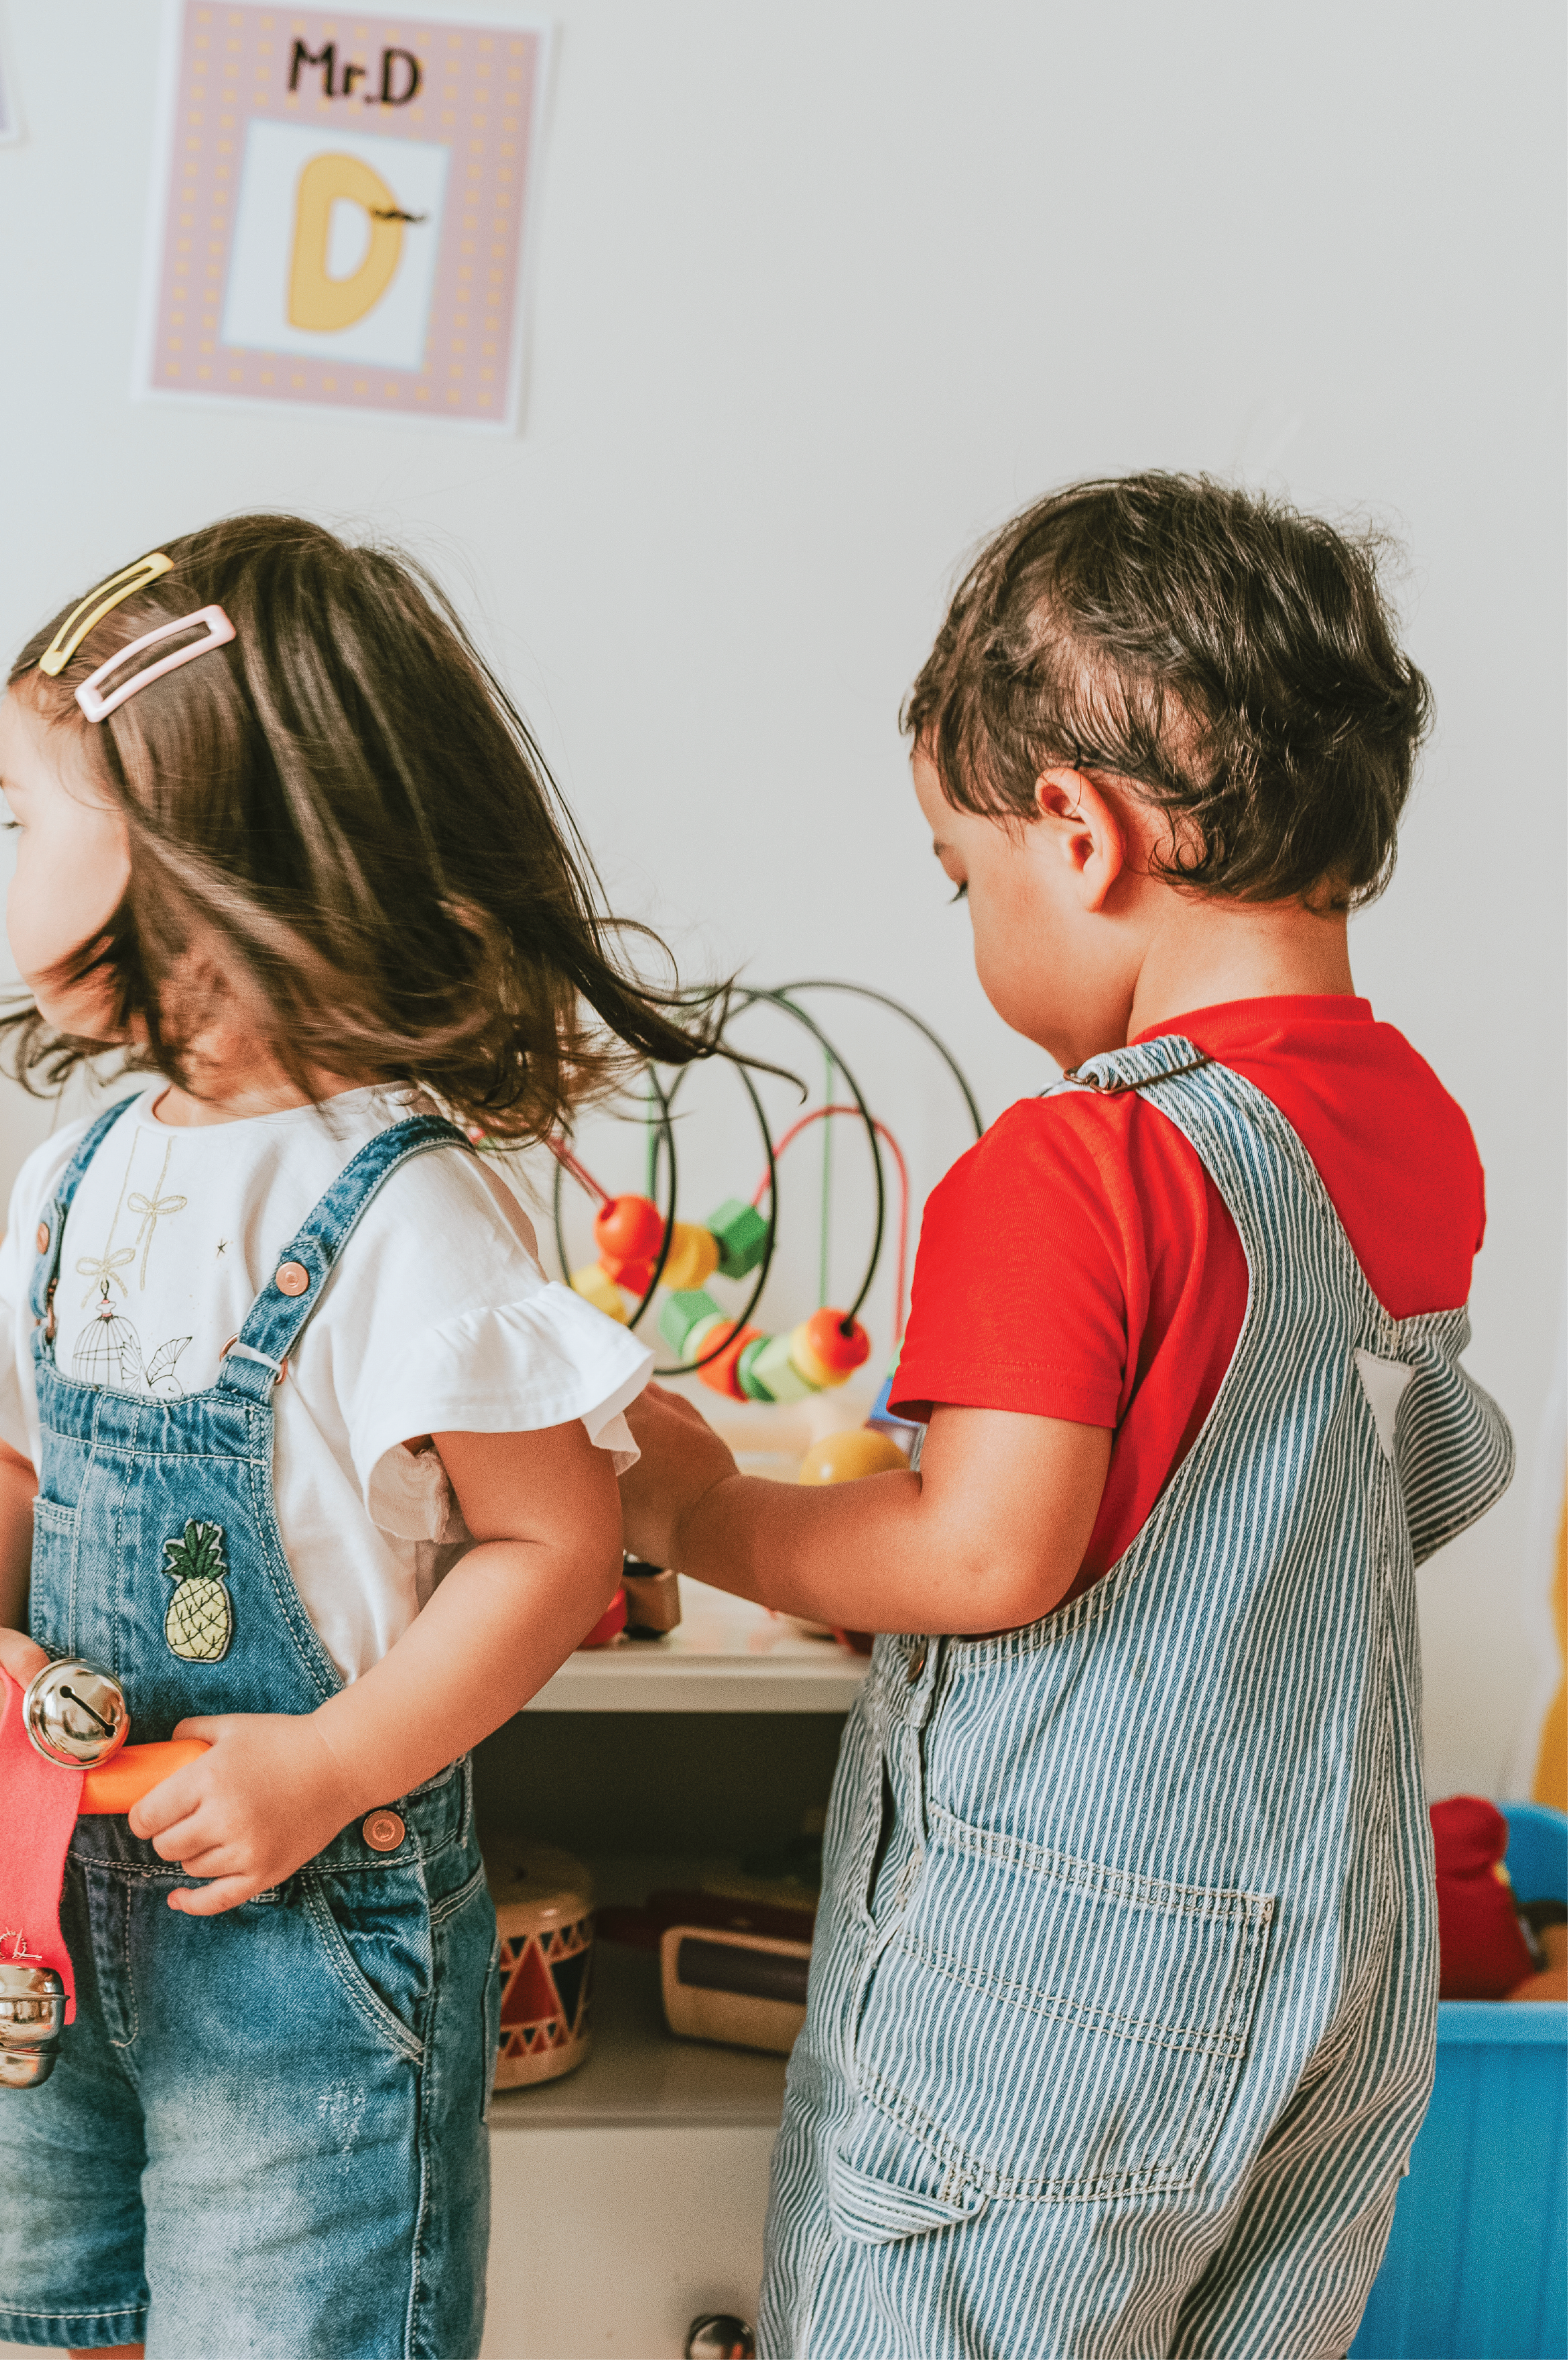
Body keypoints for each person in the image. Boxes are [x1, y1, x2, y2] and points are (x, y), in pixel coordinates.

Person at [620, 474, 1515, 2359]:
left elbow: (978, 1555)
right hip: (1345, 1983)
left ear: (1078, 832)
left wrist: (699, 1514)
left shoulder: (1074, 1163)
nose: (968, 919)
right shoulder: (1412, 1134)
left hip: (1075, 1994)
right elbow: (1291, 1503)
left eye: (961, 875)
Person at [0, 515, 716, 2359]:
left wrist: (332, 1766)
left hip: (303, 1941)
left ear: (189, 853)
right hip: (57, 1901)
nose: (7, 863)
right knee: (73, 2315)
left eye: (23, 817)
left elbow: (555, 1548)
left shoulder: (401, 1208)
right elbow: (7, 1453)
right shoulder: (74, 1174)